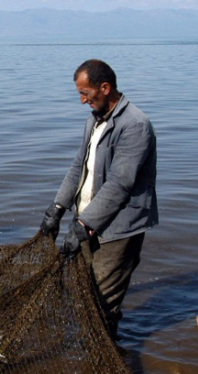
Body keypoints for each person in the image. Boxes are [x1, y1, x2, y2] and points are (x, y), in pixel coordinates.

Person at [40, 59, 158, 340]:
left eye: (86, 94)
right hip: (88, 222)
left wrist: (83, 225)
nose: (82, 101)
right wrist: (57, 208)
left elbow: (120, 185)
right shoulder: (94, 121)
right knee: (86, 293)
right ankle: (95, 343)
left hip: (117, 231)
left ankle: (106, 352)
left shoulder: (135, 125)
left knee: (102, 303)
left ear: (104, 88)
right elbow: (78, 166)